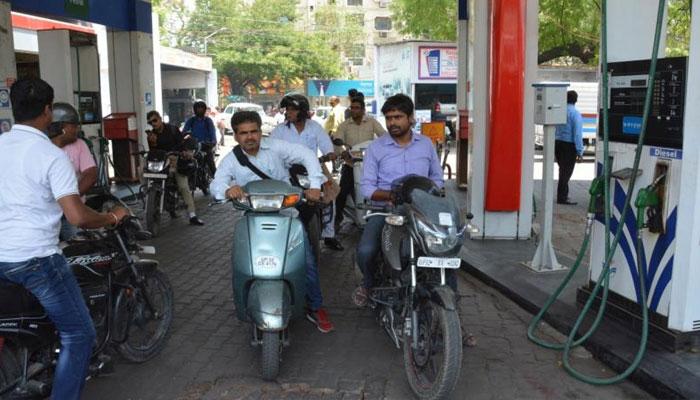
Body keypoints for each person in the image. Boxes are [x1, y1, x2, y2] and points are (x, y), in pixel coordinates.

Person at [0, 78, 129, 400]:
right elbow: (78, 217)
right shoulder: (50, 155)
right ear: (47, 111)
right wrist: (111, 217)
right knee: (79, 333)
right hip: (36, 260)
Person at [211, 110, 335, 333]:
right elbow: (216, 184)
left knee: (305, 261)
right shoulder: (231, 160)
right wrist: (228, 189)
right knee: (242, 264)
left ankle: (315, 307)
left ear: (260, 132)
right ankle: (245, 301)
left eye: (254, 131)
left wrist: (315, 185)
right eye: (243, 133)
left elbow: (307, 154)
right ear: (236, 136)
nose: (250, 137)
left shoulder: (277, 147)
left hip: (287, 216)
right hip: (252, 219)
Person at [353, 94, 444, 307]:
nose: (392, 122)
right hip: (385, 212)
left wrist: (427, 195)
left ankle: (452, 313)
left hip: (421, 212)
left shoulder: (426, 145)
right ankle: (368, 284)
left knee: (443, 253)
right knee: (365, 251)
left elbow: (437, 179)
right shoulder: (377, 148)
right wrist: (393, 196)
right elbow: (367, 187)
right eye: (389, 118)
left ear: (411, 118)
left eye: (398, 117)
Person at [271, 94, 343, 251]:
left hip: (313, 168)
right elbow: (270, 149)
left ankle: (329, 235)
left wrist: (329, 153)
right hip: (287, 170)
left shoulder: (314, 127)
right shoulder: (280, 130)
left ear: (302, 111)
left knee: (330, 195)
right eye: (287, 110)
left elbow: (326, 144)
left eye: (292, 110)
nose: (288, 113)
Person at [333, 95, 386, 229]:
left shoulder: (372, 122)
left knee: (380, 189)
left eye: (357, 108)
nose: (354, 110)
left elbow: (384, 136)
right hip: (351, 163)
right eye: (352, 108)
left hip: (369, 164)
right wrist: (343, 150)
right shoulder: (344, 125)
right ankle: (336, 221)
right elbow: (337, 140)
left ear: (363, 110)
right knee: (342, 192)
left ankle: (380, 217)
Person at [48, 102, 98, 240]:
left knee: (80, 249)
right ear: (60, 127)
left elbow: (91, 174)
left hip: (73, 211)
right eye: (73, 125)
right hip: (47, 214)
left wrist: (70, 199)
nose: (77, 129)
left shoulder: (80, 144)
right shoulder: (42, 147)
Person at [147, 110, 205, 225]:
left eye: (155, 120)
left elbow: (182, 144)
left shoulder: (172, 129)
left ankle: (192, 215)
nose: (153, 124)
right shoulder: (152, 135)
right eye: (150, 122)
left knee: (183, 186)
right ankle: (148, 192)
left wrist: (184, 152)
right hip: (161, 162)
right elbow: (153, 152)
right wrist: (152, 142)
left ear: (160, 119)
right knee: (143, 168)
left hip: (175, 159)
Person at [555, 90, 584, 205]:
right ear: (576, 100)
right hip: (568, 146)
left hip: (558, 144)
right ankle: (562, 198)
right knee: (566, 172)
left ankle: (563, 195)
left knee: (562, 170)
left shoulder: (559, 112)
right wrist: (580, 151)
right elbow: (577, 134)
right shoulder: (575, 114)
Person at [183, 100, 217, 174]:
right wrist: (182, 138)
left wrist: (213, 142)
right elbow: (184, 131)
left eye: (201, 108)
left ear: (204, 110)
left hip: (206, 145)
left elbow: (212, 133)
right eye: (198, 108)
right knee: (184, 160)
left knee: (210, 162)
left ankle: (217, 180)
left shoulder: (208, 121)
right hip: (194, 145)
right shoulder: (191, 120)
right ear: (195, 110)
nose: (199, 110)